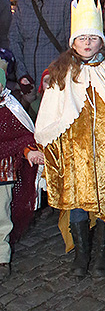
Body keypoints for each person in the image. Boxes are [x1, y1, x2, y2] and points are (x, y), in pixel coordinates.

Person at [34, 0, 105, 278]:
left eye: (92, 38)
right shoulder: (62, 72)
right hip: (75, 153)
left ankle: (104, 253)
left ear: (100, 40)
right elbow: (51, 114)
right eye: (82, 39)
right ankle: (81, 254)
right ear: (73, 42)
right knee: (78, 201)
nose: (87, 44)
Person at [0, 67, 43, 277]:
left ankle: (2, 258)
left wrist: (29, 152)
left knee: (2, 216)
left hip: (3, 173)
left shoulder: (10, 109)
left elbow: (24, 136)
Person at [9, 0, 72, 91]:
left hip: (56, 80)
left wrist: (59, 73)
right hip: (27, 81)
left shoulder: (67, 3)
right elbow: (15, 40)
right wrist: (22, 74)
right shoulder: (23, 5)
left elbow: (70, 45)